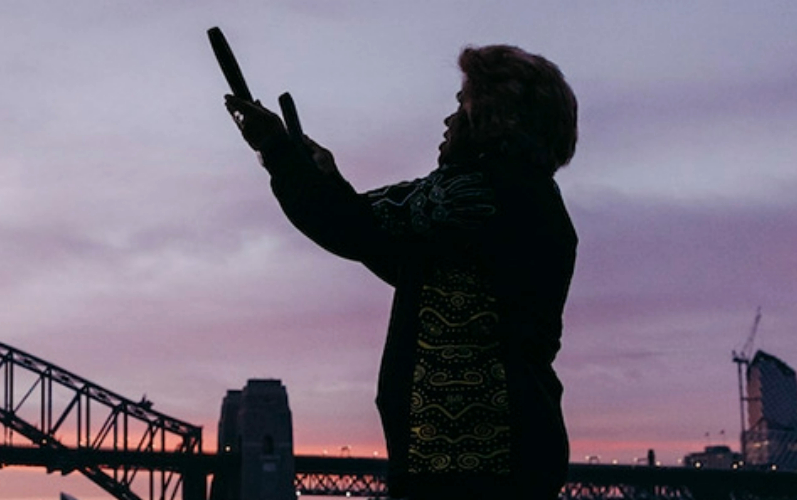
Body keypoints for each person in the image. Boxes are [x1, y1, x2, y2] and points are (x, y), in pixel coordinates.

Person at [225, 45, 577, 499]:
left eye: (460, 105)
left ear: (492, 117)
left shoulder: (471, 195)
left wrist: (275, 149)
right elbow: (388, 246)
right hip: (517, 454)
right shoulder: (531, 202)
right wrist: (325, 178)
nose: (448, 121)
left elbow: (352, 226)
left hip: (463, 464)